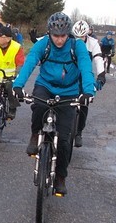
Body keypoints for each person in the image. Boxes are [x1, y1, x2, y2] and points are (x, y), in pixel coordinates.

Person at [12, 12, 95, 196]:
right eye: (55, 36)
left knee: (65, 140)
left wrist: (88, 91)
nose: (59, 40)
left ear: (68, 34)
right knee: (38, 106)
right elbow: (30, 63)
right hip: (45, 86)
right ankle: (35, 134)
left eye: (63, 36)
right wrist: (18, 85)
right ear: (49, 33)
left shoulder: (77, 46)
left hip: (69, 92)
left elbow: (86, 68)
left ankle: (60, 177)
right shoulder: (43, 44)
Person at [71, 19, 107, 147]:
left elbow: (98, 59)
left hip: (84, 74)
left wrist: (101, 75)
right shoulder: (69, 41)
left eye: (82, 37)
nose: (79, 39)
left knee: (84, 103)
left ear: (87, 34)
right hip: (70, 73)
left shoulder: (93, 43)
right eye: (77, 37)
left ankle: (79, 132)